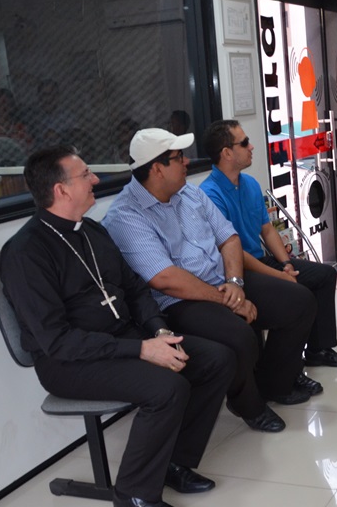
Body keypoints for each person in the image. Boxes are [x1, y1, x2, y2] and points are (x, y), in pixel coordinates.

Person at [0, 145, 235, 507]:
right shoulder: (26, 253)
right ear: (61, 190)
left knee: (215, 359)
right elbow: (57, 341)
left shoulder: (93, 231)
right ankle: (133, 494)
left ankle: (174, 462)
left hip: (123, 338)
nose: (95, 179)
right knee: (167, 388)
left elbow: (135, 289)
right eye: (85, 175)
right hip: (68, 362)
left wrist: (159, 331)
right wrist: (142, 349)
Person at [102, 128, 318, 435]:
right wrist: (228, 300)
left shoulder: (189, 192)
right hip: (180, 301)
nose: (187, 162)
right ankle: (249, 405)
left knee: (299, 301)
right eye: (179, 157)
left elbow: (229, 238)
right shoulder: (125, 216)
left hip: (225, 281)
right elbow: (165, 279)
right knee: (239, 335)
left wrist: (235, 284)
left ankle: (274, 383)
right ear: (157, 169)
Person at [199, 119, 337, 368]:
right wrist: (279, 276)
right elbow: (233, 251)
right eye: (245, 143)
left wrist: (286, 264)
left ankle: (318, 349)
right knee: (296, 295)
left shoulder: (250, 183)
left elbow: (267, 229)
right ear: (227, 153)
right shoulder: (209, 194)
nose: (252, 147)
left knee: (324, 275)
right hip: (237, 270)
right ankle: (286, 370)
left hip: (261, 260)